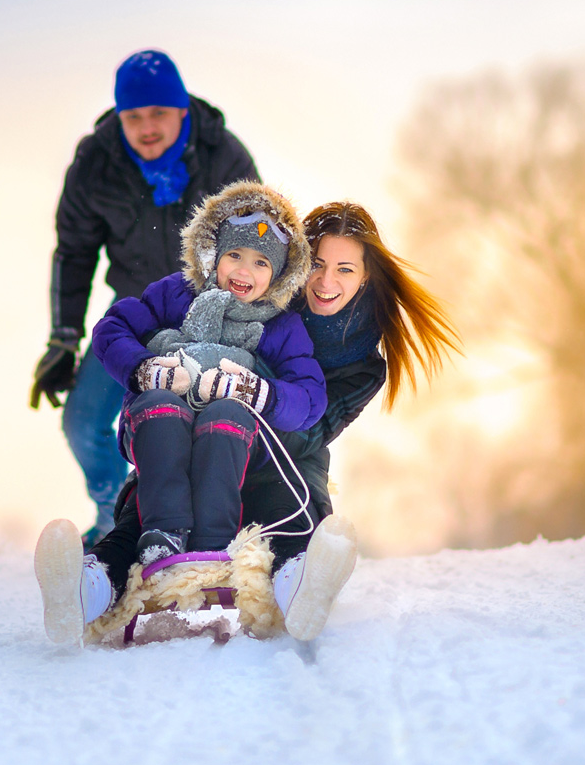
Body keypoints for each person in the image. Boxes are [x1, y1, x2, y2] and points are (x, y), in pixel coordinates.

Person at [36, 198, 459, 644]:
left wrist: (253, 397)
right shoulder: (262, 294)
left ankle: (302, 589)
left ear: (366, 275)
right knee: (144, 512)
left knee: (289, 518)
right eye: (316, 264)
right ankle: (85, 588)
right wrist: (151, 372)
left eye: (346, 270)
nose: (326, 281)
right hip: (190, 430)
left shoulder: (358, 361)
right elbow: (122, 326)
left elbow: (310, 427)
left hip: (280, 456)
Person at [29, 51, 258, 544]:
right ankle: (117, 512)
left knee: (199, 425)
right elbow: (74, 252)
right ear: (119, 118)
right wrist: (63, 338)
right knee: (82, 422)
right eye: (134, 117)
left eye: (158, 114)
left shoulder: (224, 156)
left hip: (210, 317)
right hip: (136, 317)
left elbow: (259, 243)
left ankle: (211, 531)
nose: (147, 128)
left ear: (181, 111)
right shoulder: (96, 162)